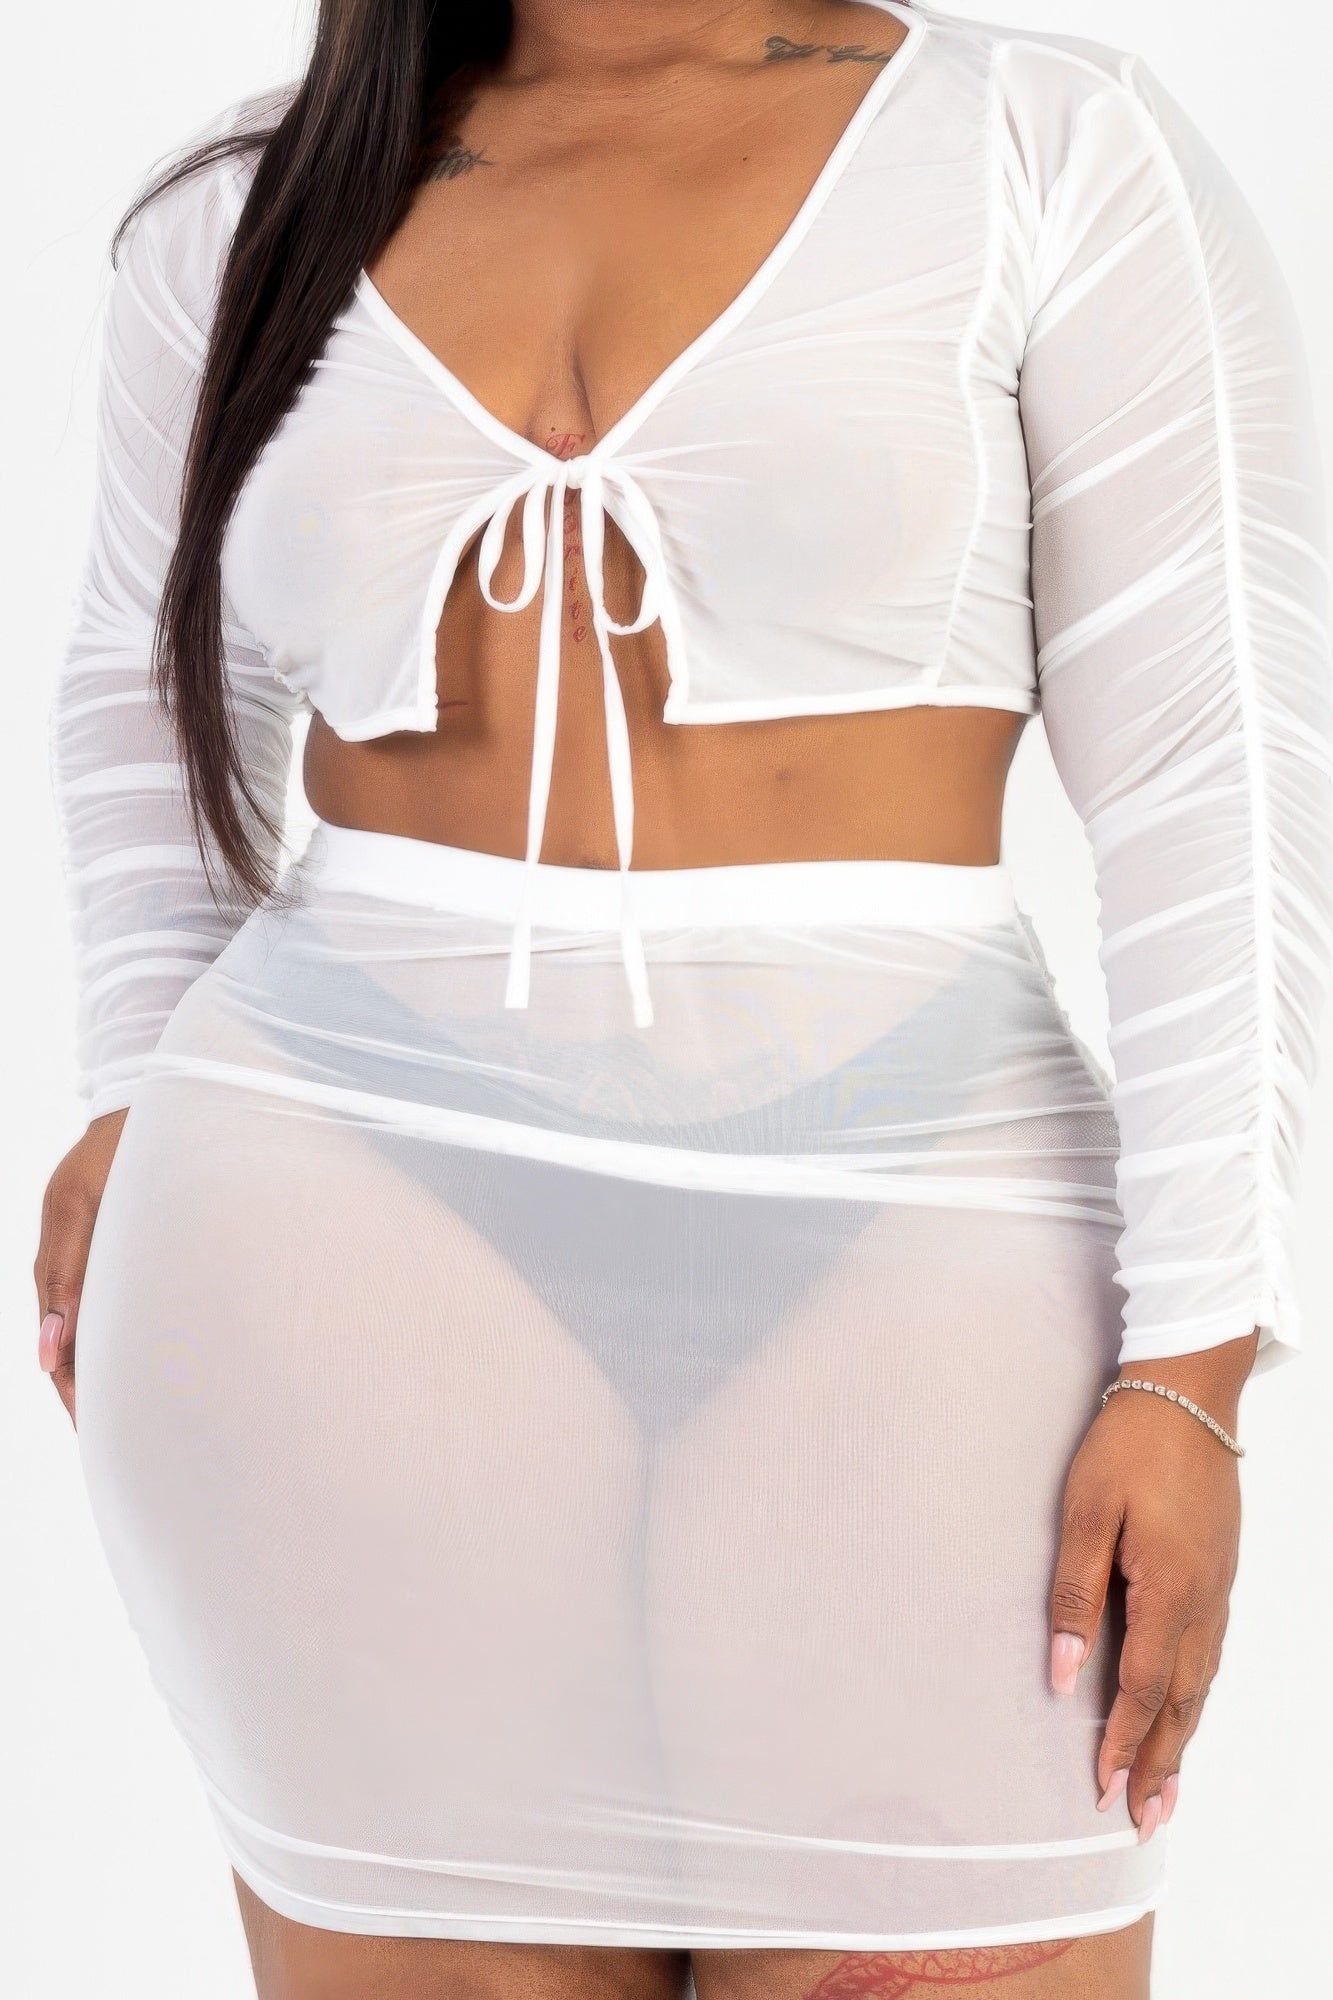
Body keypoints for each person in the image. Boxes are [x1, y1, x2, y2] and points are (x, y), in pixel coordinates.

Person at [35, 2, 1332, 1996]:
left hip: (917, 1222)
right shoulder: (246, 204)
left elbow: (1213, 769)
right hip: (335, 1216)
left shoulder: (1043, 145)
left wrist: (1193, 1365)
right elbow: (143, 684)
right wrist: (136, 1072)